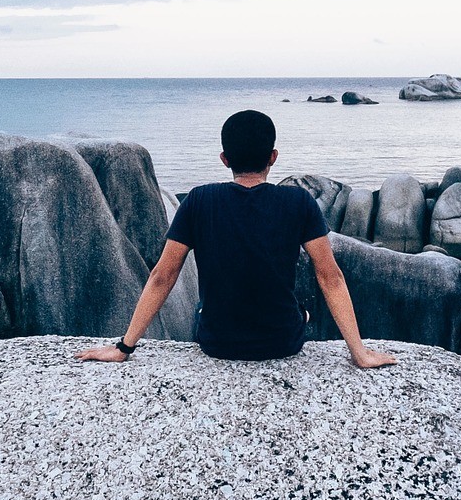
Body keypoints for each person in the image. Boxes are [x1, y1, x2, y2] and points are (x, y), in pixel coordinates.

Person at [75, 109, 398, 369]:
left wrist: (123, 347)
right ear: (273, 157)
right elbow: (330, 277)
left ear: (224, 159)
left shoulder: (199, 200)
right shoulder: (298, 201)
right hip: (282, 343)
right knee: (303, 312)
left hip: (218, 344)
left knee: (205, 308)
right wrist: (359, 352)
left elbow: (162, 277)